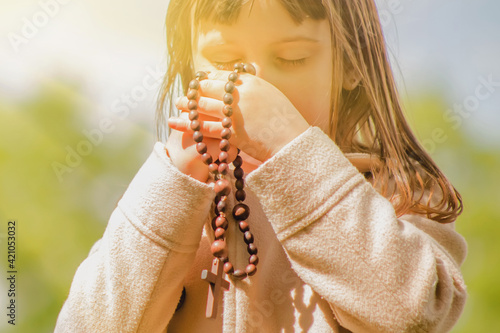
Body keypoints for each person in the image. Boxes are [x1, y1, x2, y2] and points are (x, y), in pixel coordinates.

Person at [55, 0, 467, 332]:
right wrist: (173, 183)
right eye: (222, 58)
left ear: (354, 64)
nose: (254, 87)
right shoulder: (174, 199)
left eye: (292, 57)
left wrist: (290, 147)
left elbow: (409, 315)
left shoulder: (396, 196)